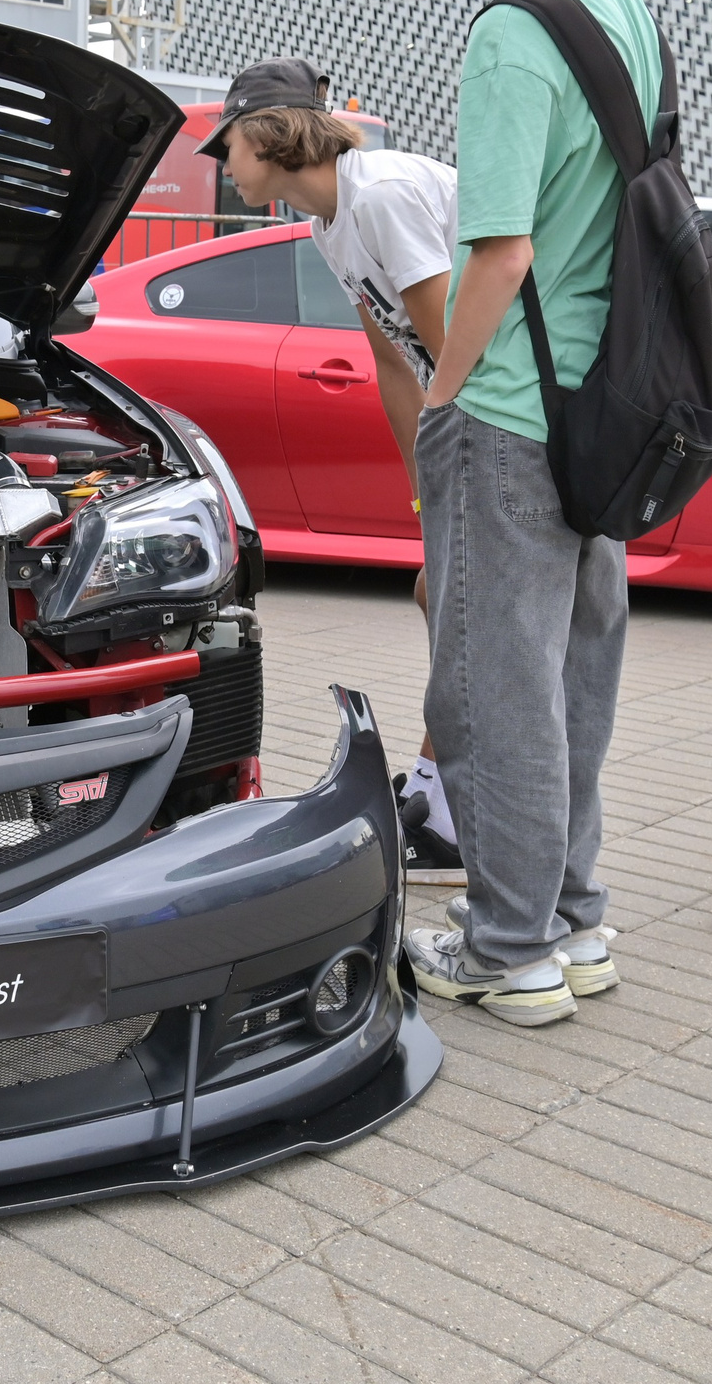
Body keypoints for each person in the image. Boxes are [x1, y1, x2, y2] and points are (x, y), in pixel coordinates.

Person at [366, 0, 653, 1025]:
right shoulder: (621, 5)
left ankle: (505, 944)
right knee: (575, 672)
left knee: (488, 691)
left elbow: (499, 254)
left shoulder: (508, 32)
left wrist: (440, 390)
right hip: (612, 411)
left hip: (516, 415)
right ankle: (572, 918)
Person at [194, 59, 465, 882]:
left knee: (462, 610)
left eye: (227, 145)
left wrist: (471, 470)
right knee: (445, 597)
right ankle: (445, 798)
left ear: (269, 134)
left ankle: (449, 810)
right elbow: (394, 359)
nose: (221, 163)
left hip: (515, 416)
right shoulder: (331, 219)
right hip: (465, 427)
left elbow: (458, 347)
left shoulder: (379, 195)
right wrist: (427, 489)